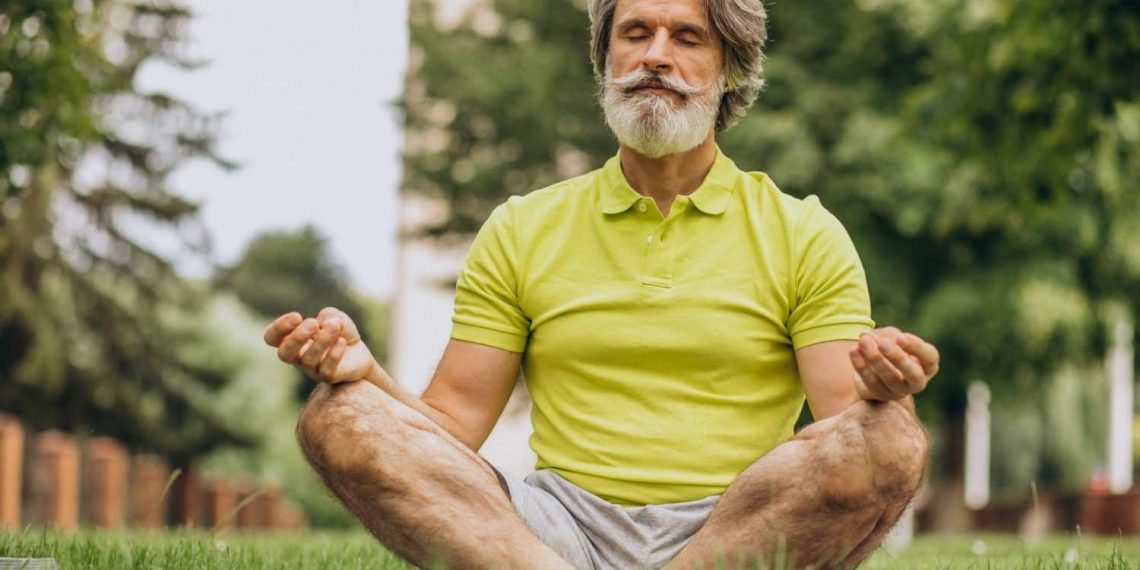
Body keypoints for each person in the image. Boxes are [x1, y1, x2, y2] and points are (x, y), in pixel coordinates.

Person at [263, 0, 939, 567]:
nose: (656, 55)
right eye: (635, 34)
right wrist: (365, 373)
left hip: (730, 532)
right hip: (551, 536)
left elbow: (846, 434)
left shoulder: (804, 233)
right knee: (338, 414)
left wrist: (885, 393)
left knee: (893, 438)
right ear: (606, 59)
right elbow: (447, 430)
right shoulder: (524, 227)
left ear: (729, 66)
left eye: (687, 37)